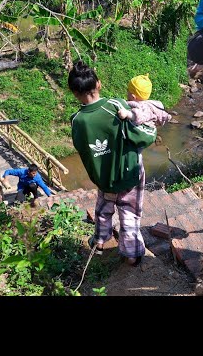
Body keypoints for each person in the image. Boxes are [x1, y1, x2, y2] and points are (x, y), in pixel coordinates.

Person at [68, 60, 157, 267]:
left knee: (103, 209)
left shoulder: (77, 120)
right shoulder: (116, 106)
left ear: (73, 92)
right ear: (98, 84)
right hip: (129, 175)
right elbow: (142, 137)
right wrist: (152, 129)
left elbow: (83, 150)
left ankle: (99, 241)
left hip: (103, 178)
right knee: (129, 214)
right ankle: (132, 255)